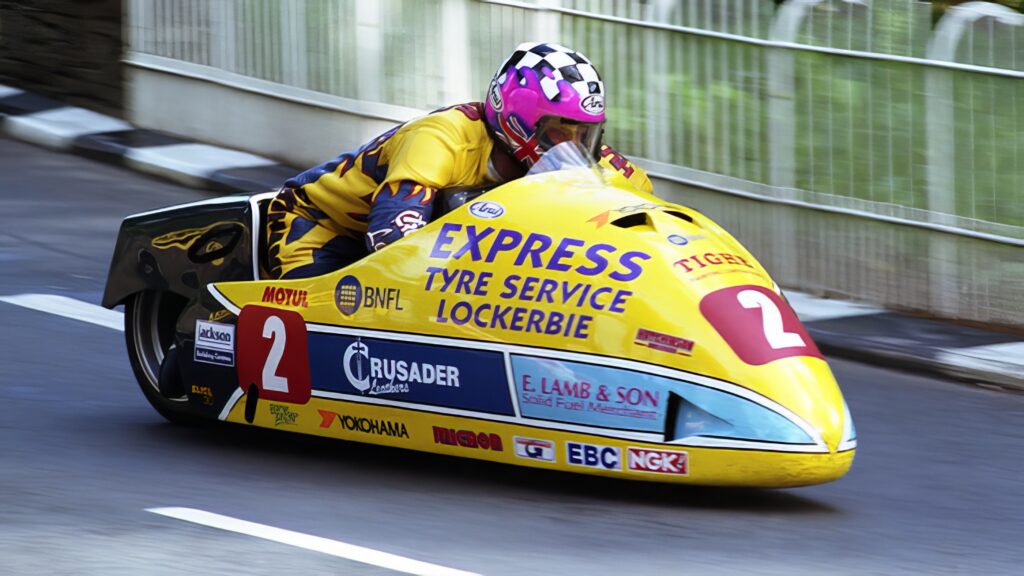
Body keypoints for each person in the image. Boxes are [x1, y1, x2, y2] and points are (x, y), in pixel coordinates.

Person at [266, 42, 652, 279]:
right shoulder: (440, 138)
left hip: (406, 240)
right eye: (559, 131)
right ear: (515, 117)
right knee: (324, 326)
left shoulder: (586, 157)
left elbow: (642, 198)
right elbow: (391, 240)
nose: (572, 144)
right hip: (321, 226)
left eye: (584, 133)